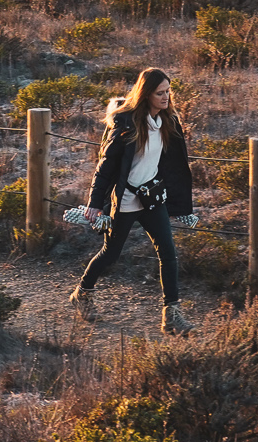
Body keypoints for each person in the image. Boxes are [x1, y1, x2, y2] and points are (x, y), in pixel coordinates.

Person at [67, 66, 198, 334]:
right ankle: (83, 293)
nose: (166, 97)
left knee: (169, 254)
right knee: (111, 254)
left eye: (168, 91)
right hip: (126, 200)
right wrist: (95, 203)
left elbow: (174, 166)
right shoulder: (126, 123)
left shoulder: (168, 122)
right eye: (160, 93)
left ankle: (171, 315)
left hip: (152, 200)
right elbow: (105, 167)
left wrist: (180, 205)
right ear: (146, 94)